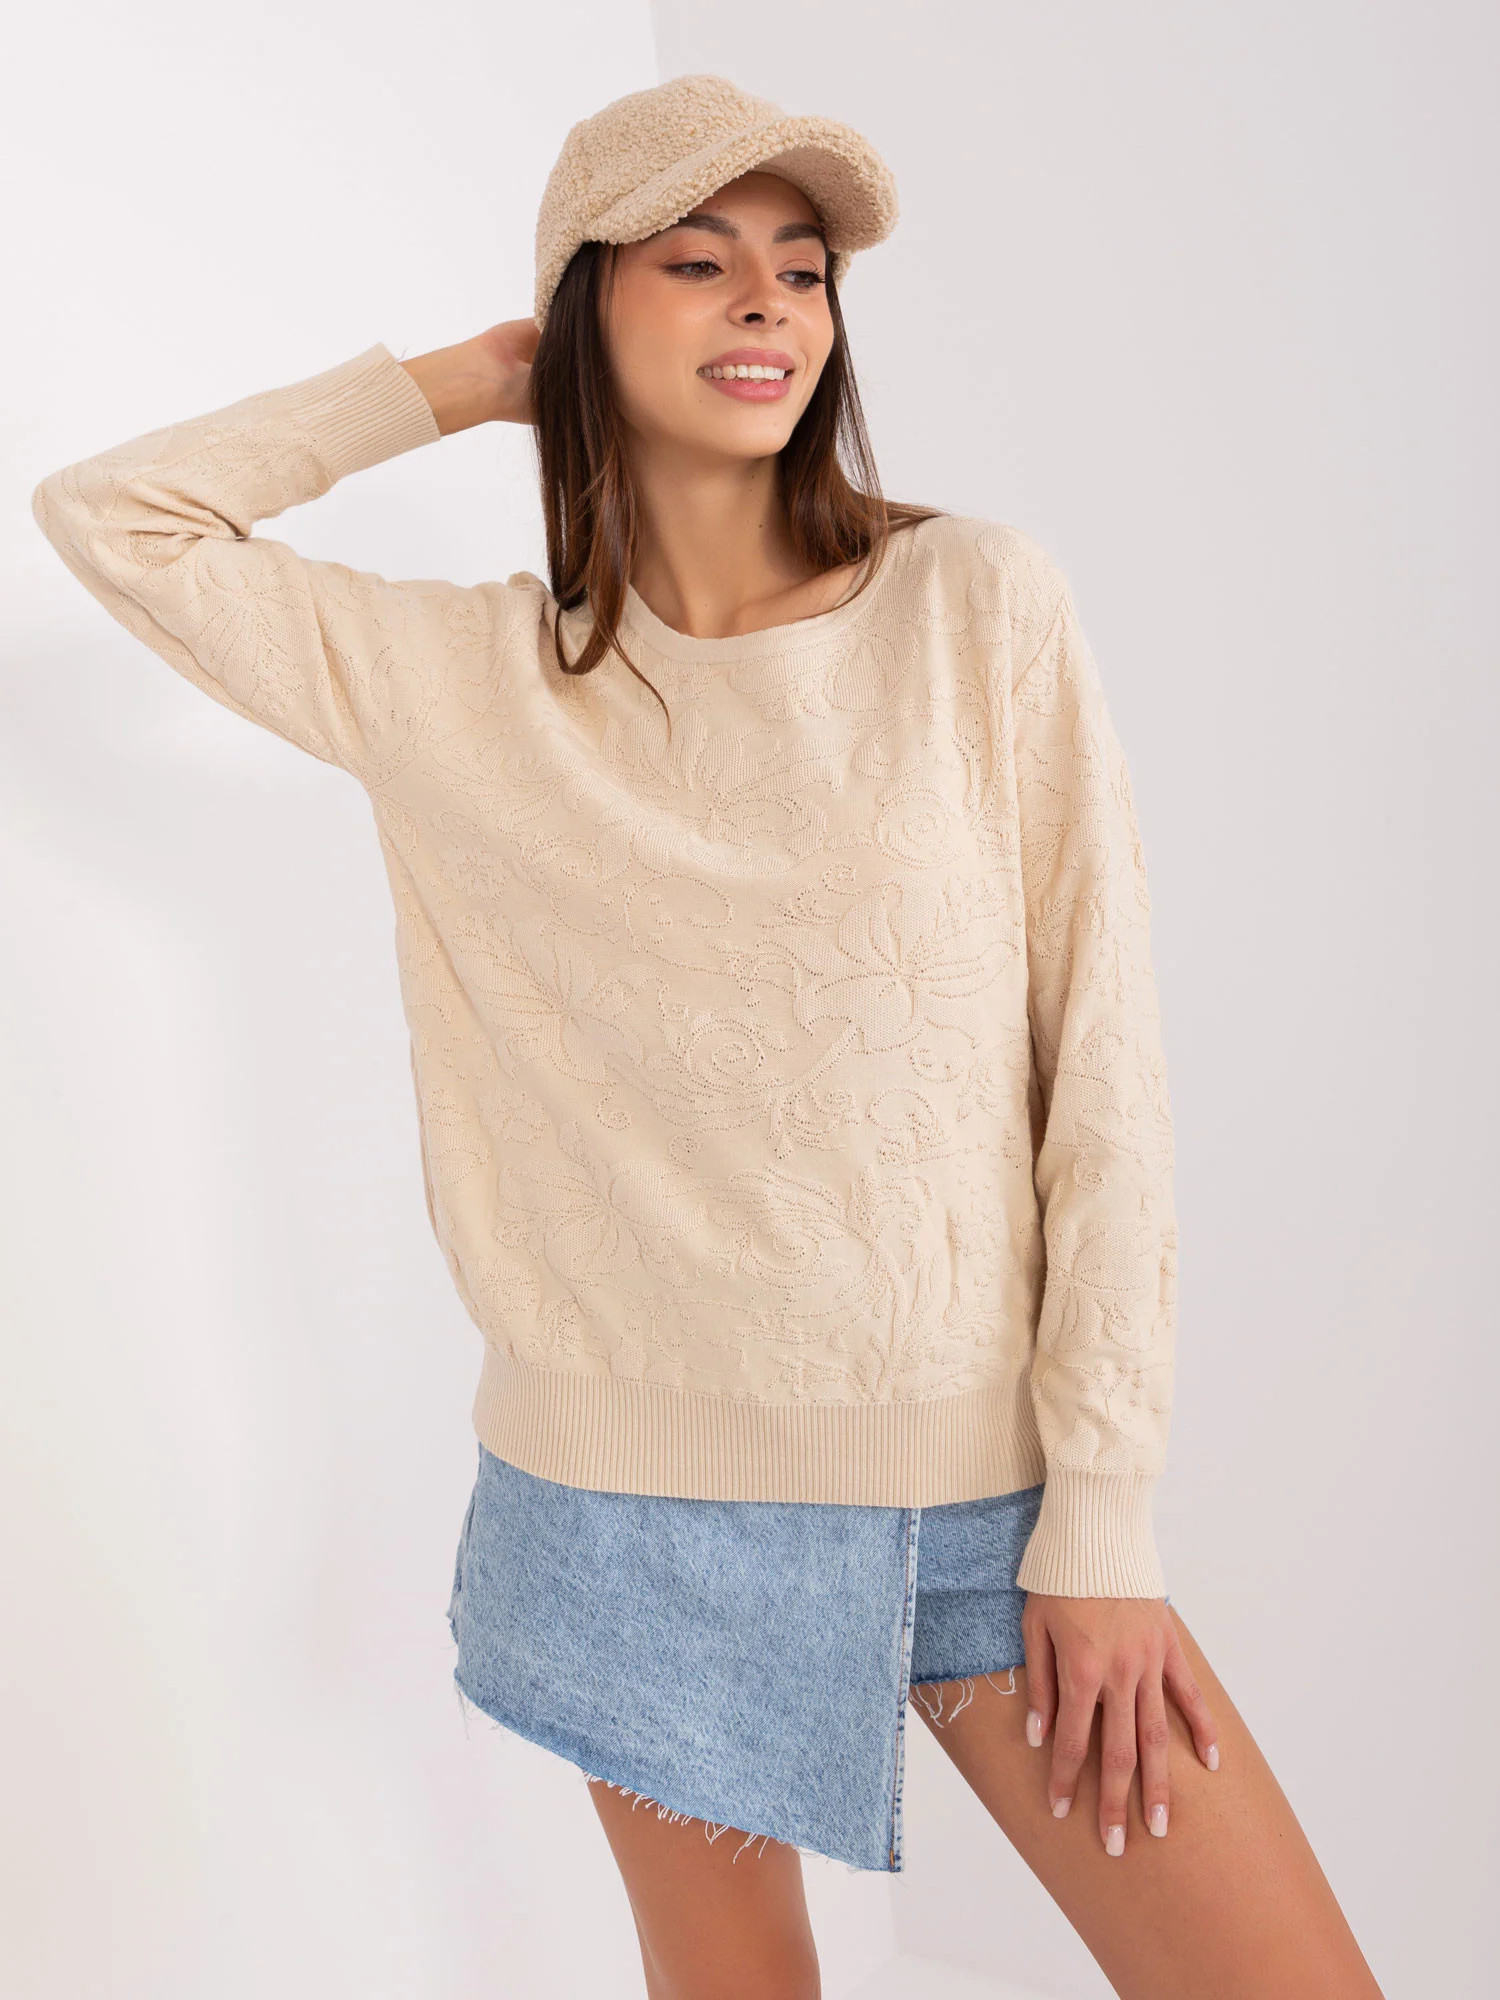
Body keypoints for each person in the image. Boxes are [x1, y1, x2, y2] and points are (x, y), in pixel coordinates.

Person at [31, 69, 1384, 2000]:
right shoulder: (459, 677)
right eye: (696, 260)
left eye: (802, 270)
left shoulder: (975, 608)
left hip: (987, 1498)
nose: (768, 302)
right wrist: (456, 380)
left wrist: (1102, 1522)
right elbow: (113, 517)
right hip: (622, 1507)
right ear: (584, 308)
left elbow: (1104, 1073)